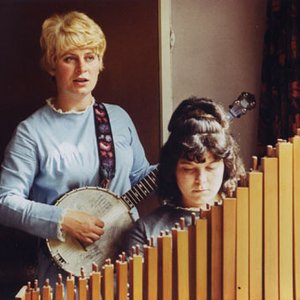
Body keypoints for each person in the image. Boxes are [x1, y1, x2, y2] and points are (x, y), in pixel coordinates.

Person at [0, 11, 153, 287]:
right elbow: (5, 202)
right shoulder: (31, 132)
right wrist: (63, 219)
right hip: (65, 273)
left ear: (99, 63)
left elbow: (141, 177)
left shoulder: (117, 118)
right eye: (70, 58)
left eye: (90, 57)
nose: (82, 68)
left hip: (124, 262)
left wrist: (183, 160)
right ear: (51, 65)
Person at [123, 96, 245, 255]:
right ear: (172, 170)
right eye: (188, 169)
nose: (201, 180)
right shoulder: (146, 231)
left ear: (227, 167)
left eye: (211, 168)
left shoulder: (247, 215)